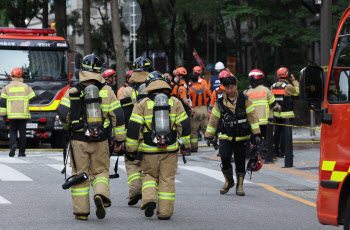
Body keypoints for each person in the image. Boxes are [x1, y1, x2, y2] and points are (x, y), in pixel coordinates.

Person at [57, 54, 126, 220]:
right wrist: (119, 140)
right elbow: (118, 116)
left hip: (78, 141)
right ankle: (100, 195)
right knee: (101, 171)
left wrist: (68, 129)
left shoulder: (73, 90)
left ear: (82, 70)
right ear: (99, 71)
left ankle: (81, 212)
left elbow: (62, 113)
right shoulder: (107, 91)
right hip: (100, 140)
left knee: (79, 173)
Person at [125, 71, 191, 220]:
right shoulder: (175, 102)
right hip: (170, 150)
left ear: (149, 86)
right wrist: (185, 145)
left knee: (149, 176)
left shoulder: (142, 104)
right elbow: (185, 125)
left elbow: (133, 128)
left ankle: (149, 201)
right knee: (167, 180)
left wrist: (131, 149)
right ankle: (165, 213)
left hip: (148, 151)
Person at [205, 76, 261, 196]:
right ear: (224, 88)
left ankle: (239, 185)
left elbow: (252, 116)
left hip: (242, 137)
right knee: (225, 157)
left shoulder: (244, 99)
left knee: (240, 161)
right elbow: (214, 119)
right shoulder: (219, 102)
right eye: (227, 88)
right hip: (225, 136)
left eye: (232, 87)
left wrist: (256, 134)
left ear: (236, 86)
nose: (230, 90)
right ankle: (228, 181)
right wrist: (209, 136)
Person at [120, 56, 153, 206]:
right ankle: (148, 196)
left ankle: (135, 192)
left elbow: (124, 114)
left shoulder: (126, 91)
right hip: (150, 133)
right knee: (148, 165)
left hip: (132, 132)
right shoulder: (154, 89)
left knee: (132, 163)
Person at [0, 67, 36, 157]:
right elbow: (33, 98)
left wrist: (3, 115)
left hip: (12, 115)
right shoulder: (26, 87)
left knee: (12, 131)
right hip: (23, 115)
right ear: (21, 76)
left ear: (12, 76)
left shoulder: (6, 87)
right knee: (22, 133)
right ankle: (21, 152)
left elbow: (3, 102)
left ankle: (13, 145)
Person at [243, 69, 281, 140]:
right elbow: (273, 104)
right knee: (268, 142)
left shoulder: (246, 92)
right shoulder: (266, 90)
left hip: (253, 123)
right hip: (266, 122)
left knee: (253, 142)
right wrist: (278, 107)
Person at [271, 67, 299, 158]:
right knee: (285, 133)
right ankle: (284, 152)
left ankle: (275, 151)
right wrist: (294, 81)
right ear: (287, 75)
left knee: (277, 132)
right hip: (286, 113)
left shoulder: (273, 85)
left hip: (276, 113)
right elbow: (297, 92)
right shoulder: (288, 86)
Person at [188, 73, 211, 152]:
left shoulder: (190, 90)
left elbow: (188, 101)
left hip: (195, 110)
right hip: (204, 110)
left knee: (194, 131)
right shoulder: (205, 88)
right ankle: (213, 140)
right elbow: (211, 96)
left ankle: (194, 148)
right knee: (206, 129)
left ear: (191, 81)